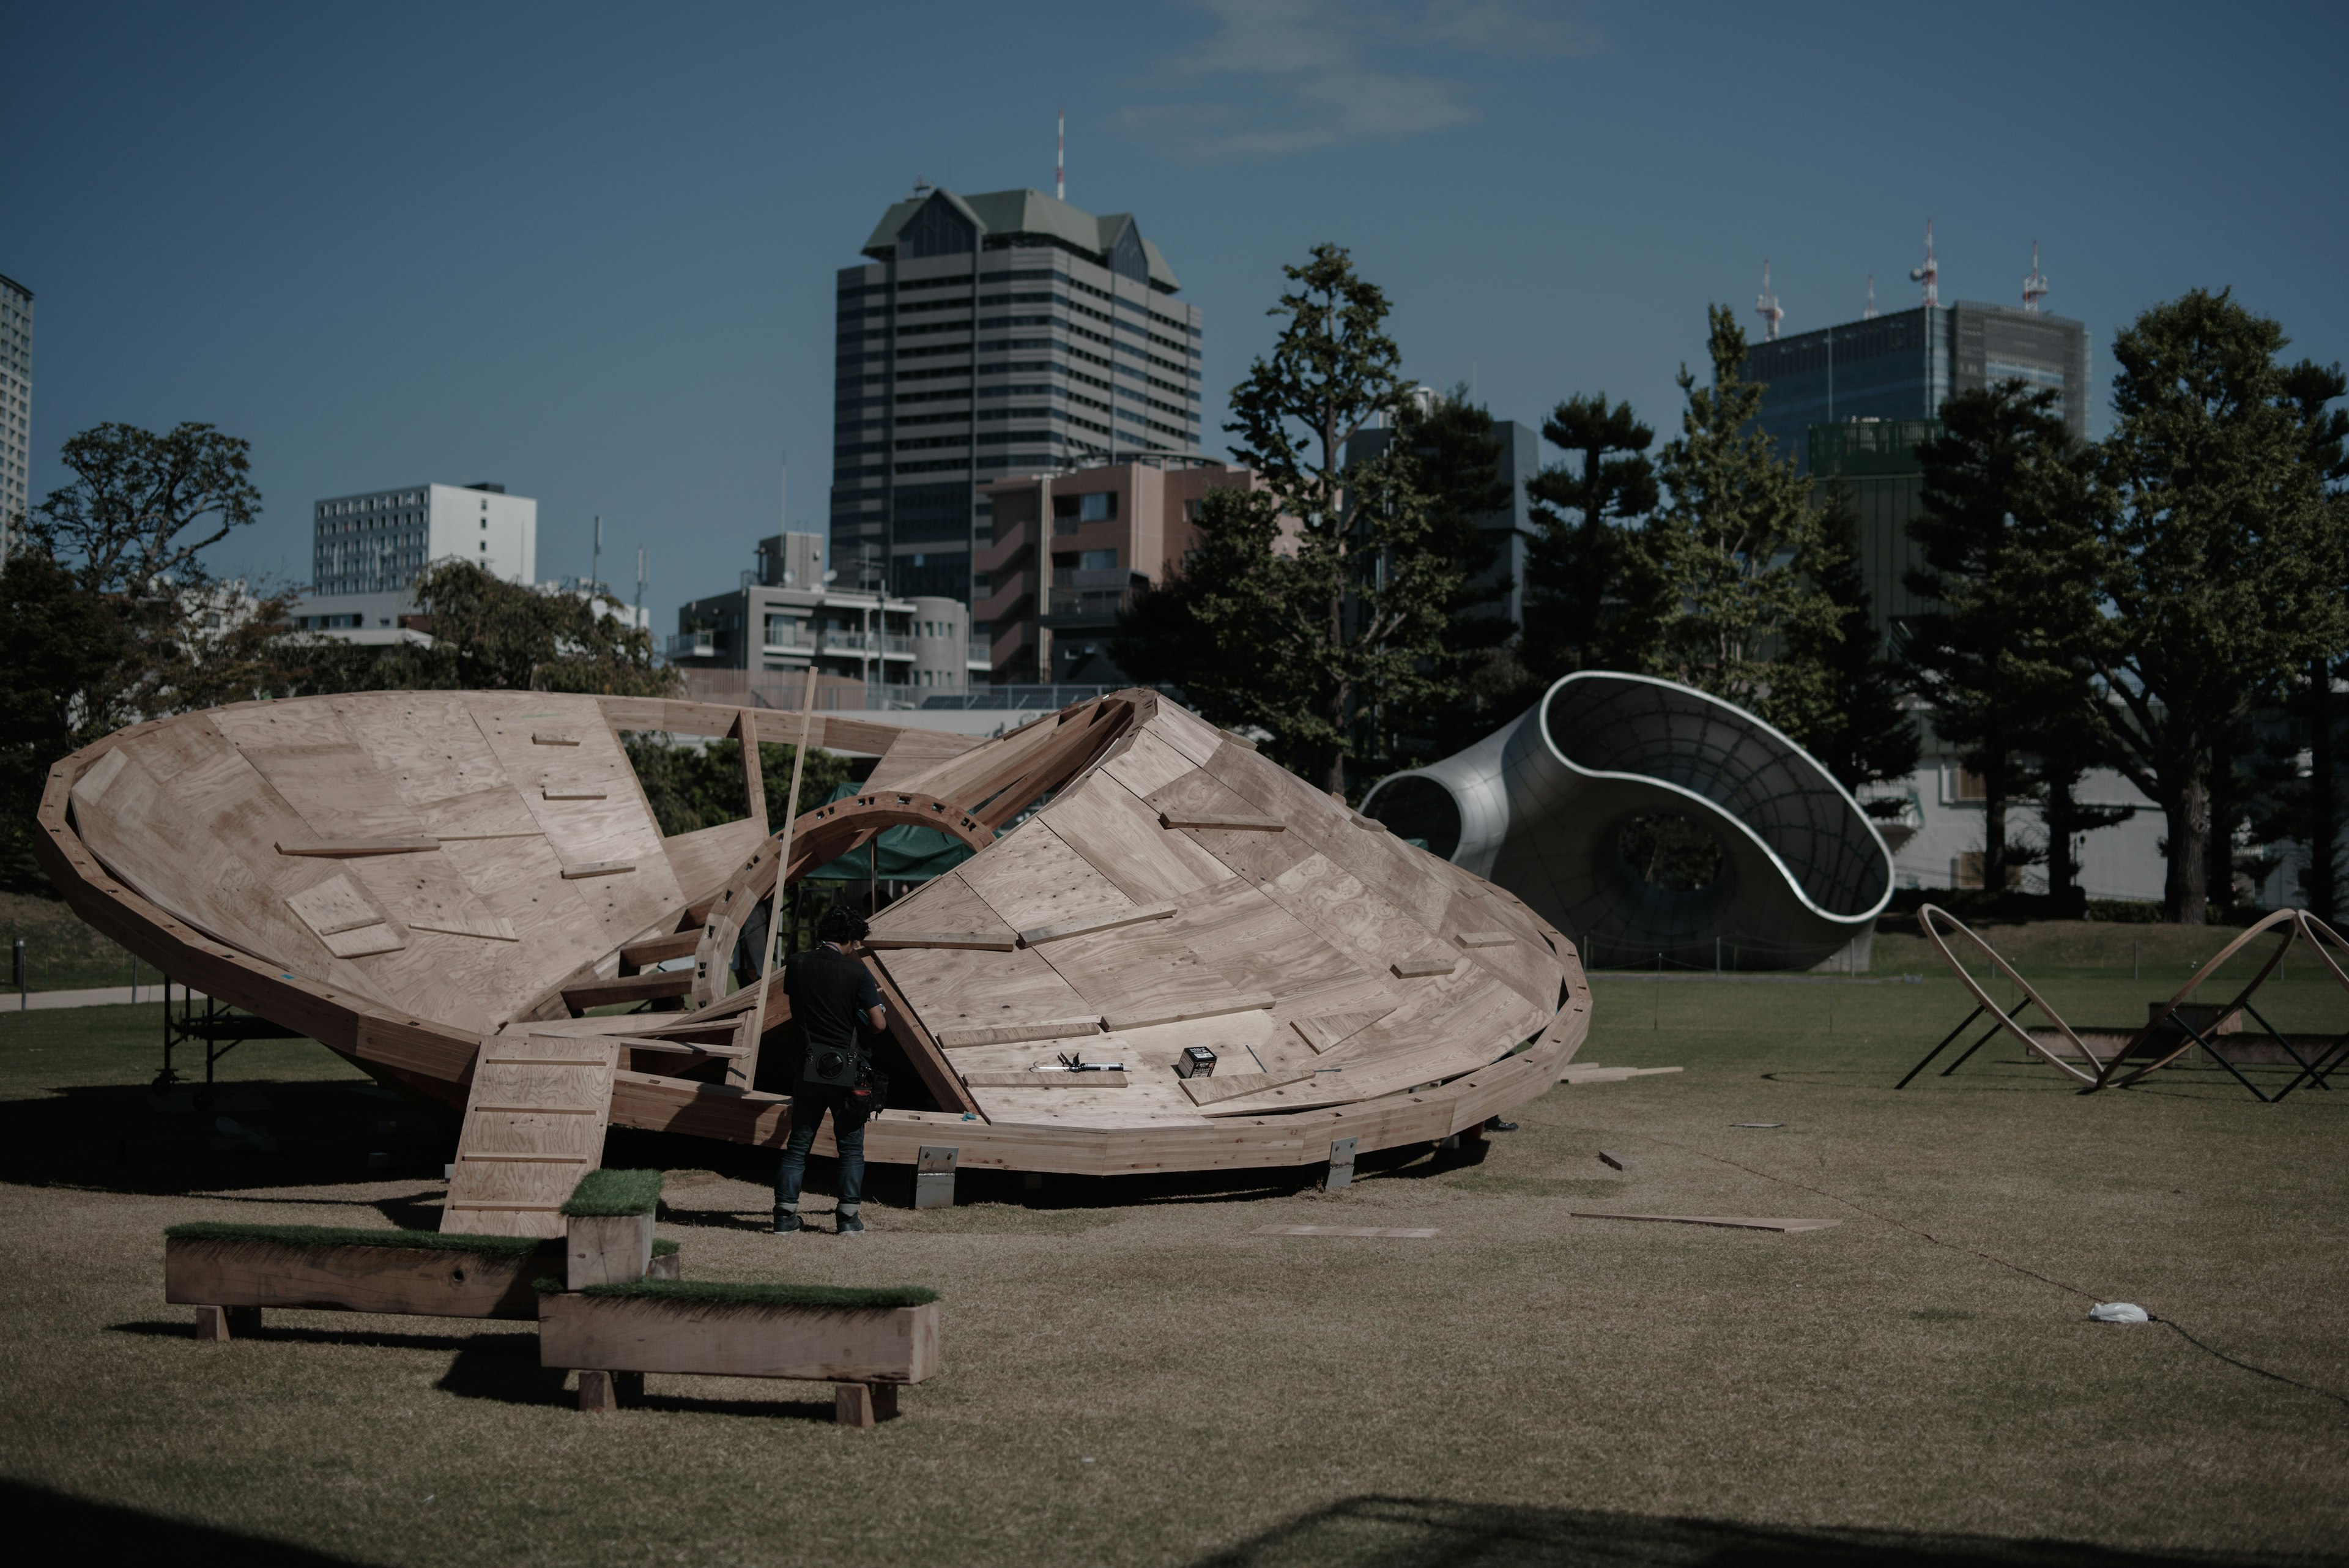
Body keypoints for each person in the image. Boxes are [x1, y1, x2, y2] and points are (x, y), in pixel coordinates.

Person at [773, 905, 885, 1235]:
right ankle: (848, 1219)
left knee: (798, 1145)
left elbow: (806, 1006)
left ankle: (784, 1217)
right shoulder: (857, 973)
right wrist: (870, 1006)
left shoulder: (797, 963)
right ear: (850, 939)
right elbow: (878, 1024)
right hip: (848, 1071)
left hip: (807, 1066)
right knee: (850, 1147)